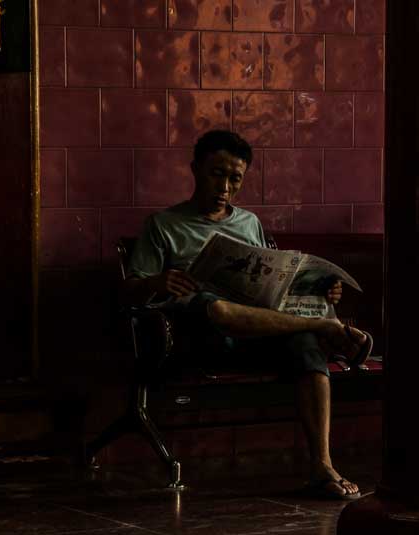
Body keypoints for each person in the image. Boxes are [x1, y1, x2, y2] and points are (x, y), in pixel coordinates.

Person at [125, 130, 370, 499]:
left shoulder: (249, 223)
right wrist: (159, 281)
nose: (225, 186)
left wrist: (321, 290)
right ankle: (326, 328)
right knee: (215, 304)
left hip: (256, 332)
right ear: (195, 170)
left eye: (235, 178)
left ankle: (322, 464)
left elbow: (272, 289)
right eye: (216, 174)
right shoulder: (163, 225)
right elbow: (129, 290)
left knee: (305, 346)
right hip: (200, 333)